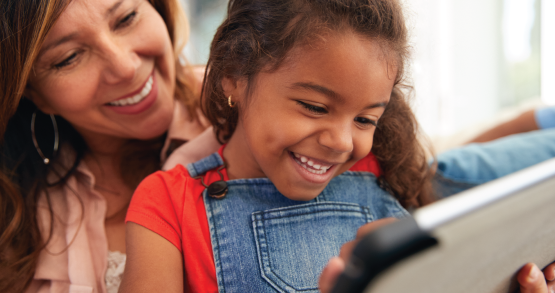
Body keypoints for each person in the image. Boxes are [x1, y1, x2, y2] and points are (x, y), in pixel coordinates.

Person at [119, 0, 555, 292]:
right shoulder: (166, 205)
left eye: (366, 119)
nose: (343, 143)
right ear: (234, 73)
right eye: (313, 106)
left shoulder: (380, 174)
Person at [0, 0, 219, 292]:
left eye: (127, 18)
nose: (126, 67)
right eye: (69, 57)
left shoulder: (250, 113)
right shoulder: (13, 216)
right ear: (33, 93)